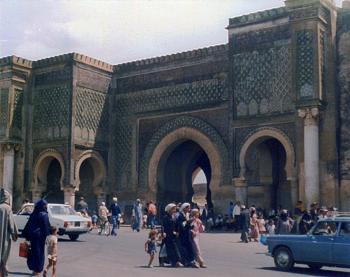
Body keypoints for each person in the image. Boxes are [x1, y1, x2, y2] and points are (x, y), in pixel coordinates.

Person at [22, 199, 51, 276]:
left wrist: (26, 236)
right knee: (39, 253)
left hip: (32, 236)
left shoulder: (33, 214)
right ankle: (37, 270)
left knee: (33, 252)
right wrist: (48, 236)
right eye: (45, 205)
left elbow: (28, 225)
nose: (46, 207)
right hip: (40, 237)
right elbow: (46, 226)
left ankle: (34, 268)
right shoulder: (44, 215)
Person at [0, 189, 18, 277]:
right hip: (4, 239)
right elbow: (12, 225)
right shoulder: (7, 208)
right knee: (4, 259)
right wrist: (14, 235)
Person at [177, 202, 198, 267]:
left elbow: (188, 224)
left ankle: (191, 261)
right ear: (184, 208)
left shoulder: (187, 215)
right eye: (188, 207)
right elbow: (181, 225)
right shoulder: (180, 215)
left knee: (190, 247)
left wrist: (191, 225)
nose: (189, 209)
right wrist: (188, 222)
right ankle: (186, 261)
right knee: (184, 248)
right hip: (183, 234)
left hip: (187, 234)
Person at [162, 203, 183, 267]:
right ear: (169, 209)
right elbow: (163, 226)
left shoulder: (174, 217)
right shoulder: (165, 217)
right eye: (173, 209)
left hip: (174, 236)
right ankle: (173, 261)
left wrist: (177, 232)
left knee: (175, 248)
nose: (174, 210)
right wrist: (163, 233)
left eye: (175, 209)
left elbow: (176, 225)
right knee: (169, 249)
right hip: (167, 235)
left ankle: (177, 261)